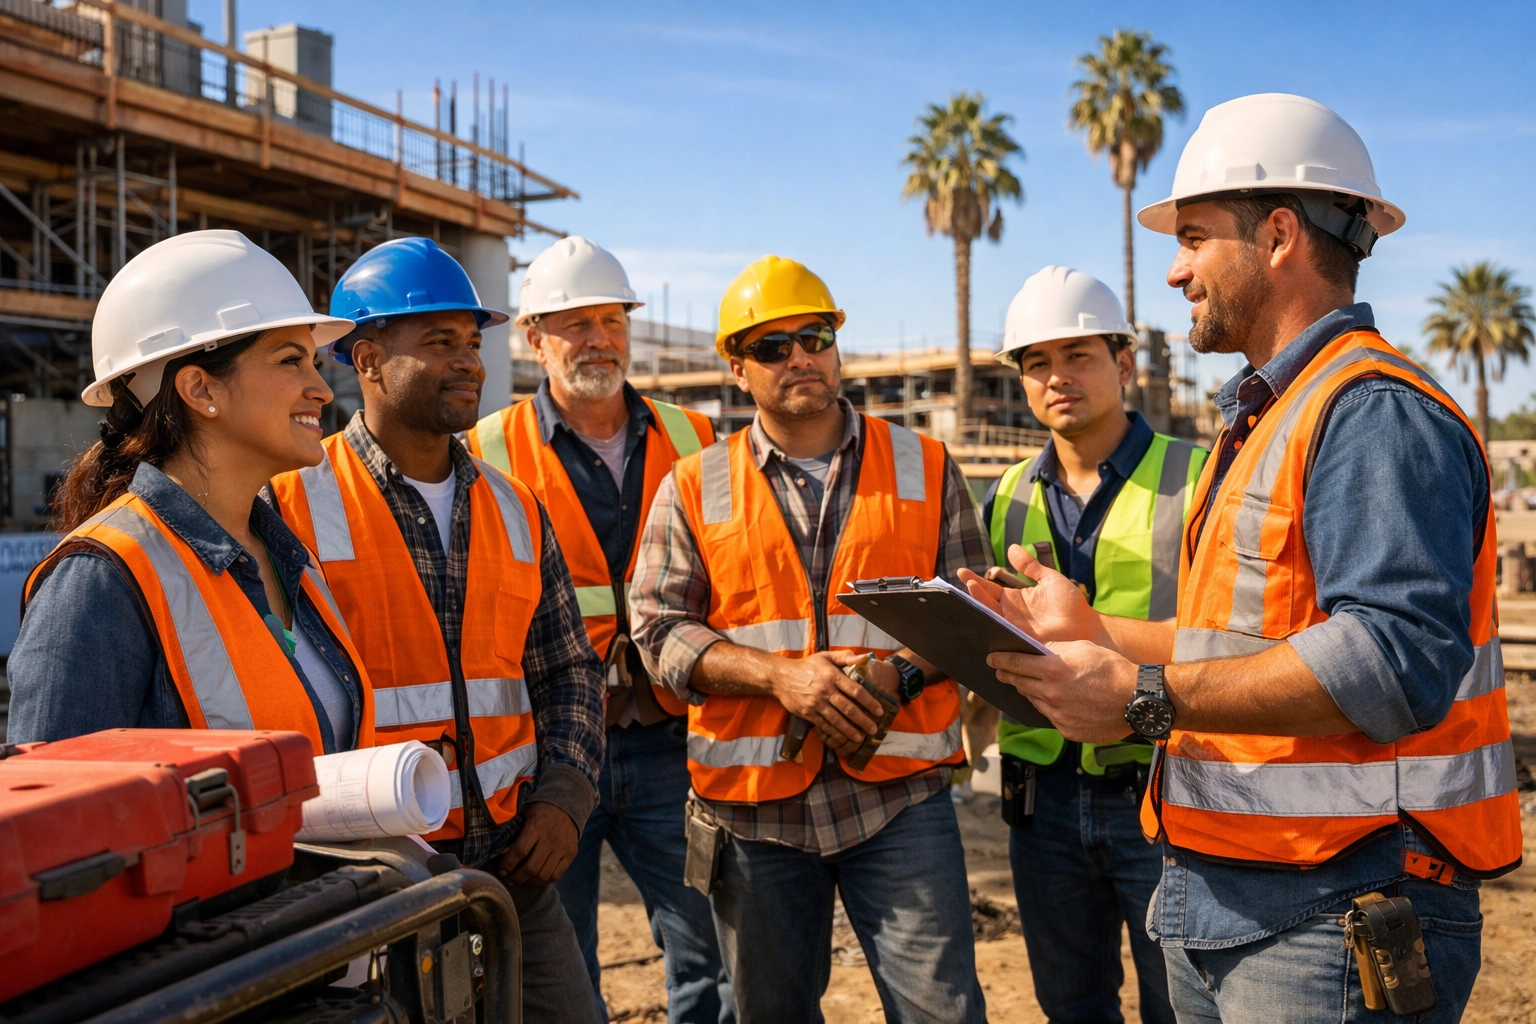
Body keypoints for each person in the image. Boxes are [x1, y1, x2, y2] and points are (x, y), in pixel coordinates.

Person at [967, 94, 1518, 1023]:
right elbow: (1240, 644)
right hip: (1244, 890)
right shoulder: (1267, 419)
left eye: (1193, 238)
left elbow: (1393, 660)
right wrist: (1095, 631)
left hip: (1340, 902)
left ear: (1277, 236)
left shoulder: (1370, 410)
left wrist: (1140, 697)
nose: (1175, 269)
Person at [630, 255, 989, 1024]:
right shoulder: (693, 484)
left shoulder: (924, 465)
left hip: (899, 798)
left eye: (814, 337)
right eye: (771, 346)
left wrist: (898, 675)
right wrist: (778, 677)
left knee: (943, 1012)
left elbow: (973, 610)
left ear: (835, 347)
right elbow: (657, 628)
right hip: (754, 812)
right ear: (737, 369)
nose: (799, 357)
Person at [268, 237, 606, 1022]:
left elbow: (567, 670)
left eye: (473, 343)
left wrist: (565, 795)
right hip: (371, 883)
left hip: (515, 873)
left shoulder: (517, 507)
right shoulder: (288, 506)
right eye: (440, 341)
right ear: (368, 359)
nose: (468, 362)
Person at [467, 236, 731, 1023]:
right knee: (558, 964)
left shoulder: (698, 438)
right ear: (533, 339)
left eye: (612, 320)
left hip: (672, 739)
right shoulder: (486, 450)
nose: (598, 339)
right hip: (549, 753)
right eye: (575, 323)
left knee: (708, 954)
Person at [8, 230, 371, 756]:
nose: (323, 389)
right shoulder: (98, 581)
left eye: (313, 362)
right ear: (200, 389)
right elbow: (55, 799)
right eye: (291, 360)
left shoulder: (289, 556)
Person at [983, 265, 1205, 1024]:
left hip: (1164, 787)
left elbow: (1234, 638)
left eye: (1077, 355)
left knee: (1181, 1007)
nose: (1057, 377)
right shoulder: (1006, 493)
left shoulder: (1199, 477)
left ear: (1125, 363)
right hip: (1041, 800)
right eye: (1036, 362)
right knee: (1070, 1006)